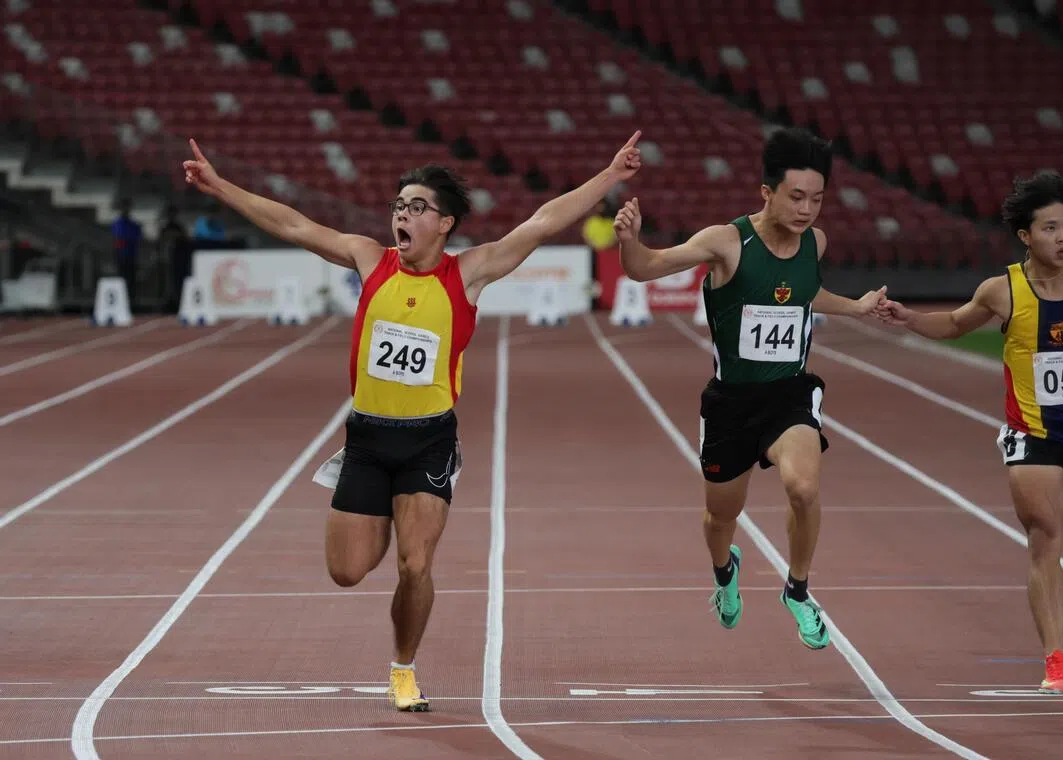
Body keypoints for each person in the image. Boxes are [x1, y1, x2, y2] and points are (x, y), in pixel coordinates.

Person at [182, 132, 642, 711]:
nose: (402, 214)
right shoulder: (369, 259)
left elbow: (543, 223)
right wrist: (220, 186)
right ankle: (379, 522)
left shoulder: (467, 274)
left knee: (417, 562)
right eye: (399, 206)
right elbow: (293, 225)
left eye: (416, 207)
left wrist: (609, 175)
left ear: (445, 223)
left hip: (428, 441)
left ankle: (403, 669)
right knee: (347, 570)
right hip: (368, 439)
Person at [613, 127, 887, 649]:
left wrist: (854, 306)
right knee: (722, 516)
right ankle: (724, 571)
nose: (808, 209)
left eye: (817, 199)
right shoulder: (726, 242)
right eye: (796, 197)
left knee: (804, 487)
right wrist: (630, 241)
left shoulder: (816, 242)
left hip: (789, 395)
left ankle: (798, 591)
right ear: (766, 192)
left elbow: (805, 295)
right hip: (731, 404)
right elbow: (645, 269)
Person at [879, 171, 1063, 694]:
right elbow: (954, 324)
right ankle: (1056, 659)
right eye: (1049, 228)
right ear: (1026, 236)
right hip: (1034, 436)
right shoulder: (1002, 291)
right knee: (1044, 536)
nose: (1062, 238)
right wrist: (909, 318)